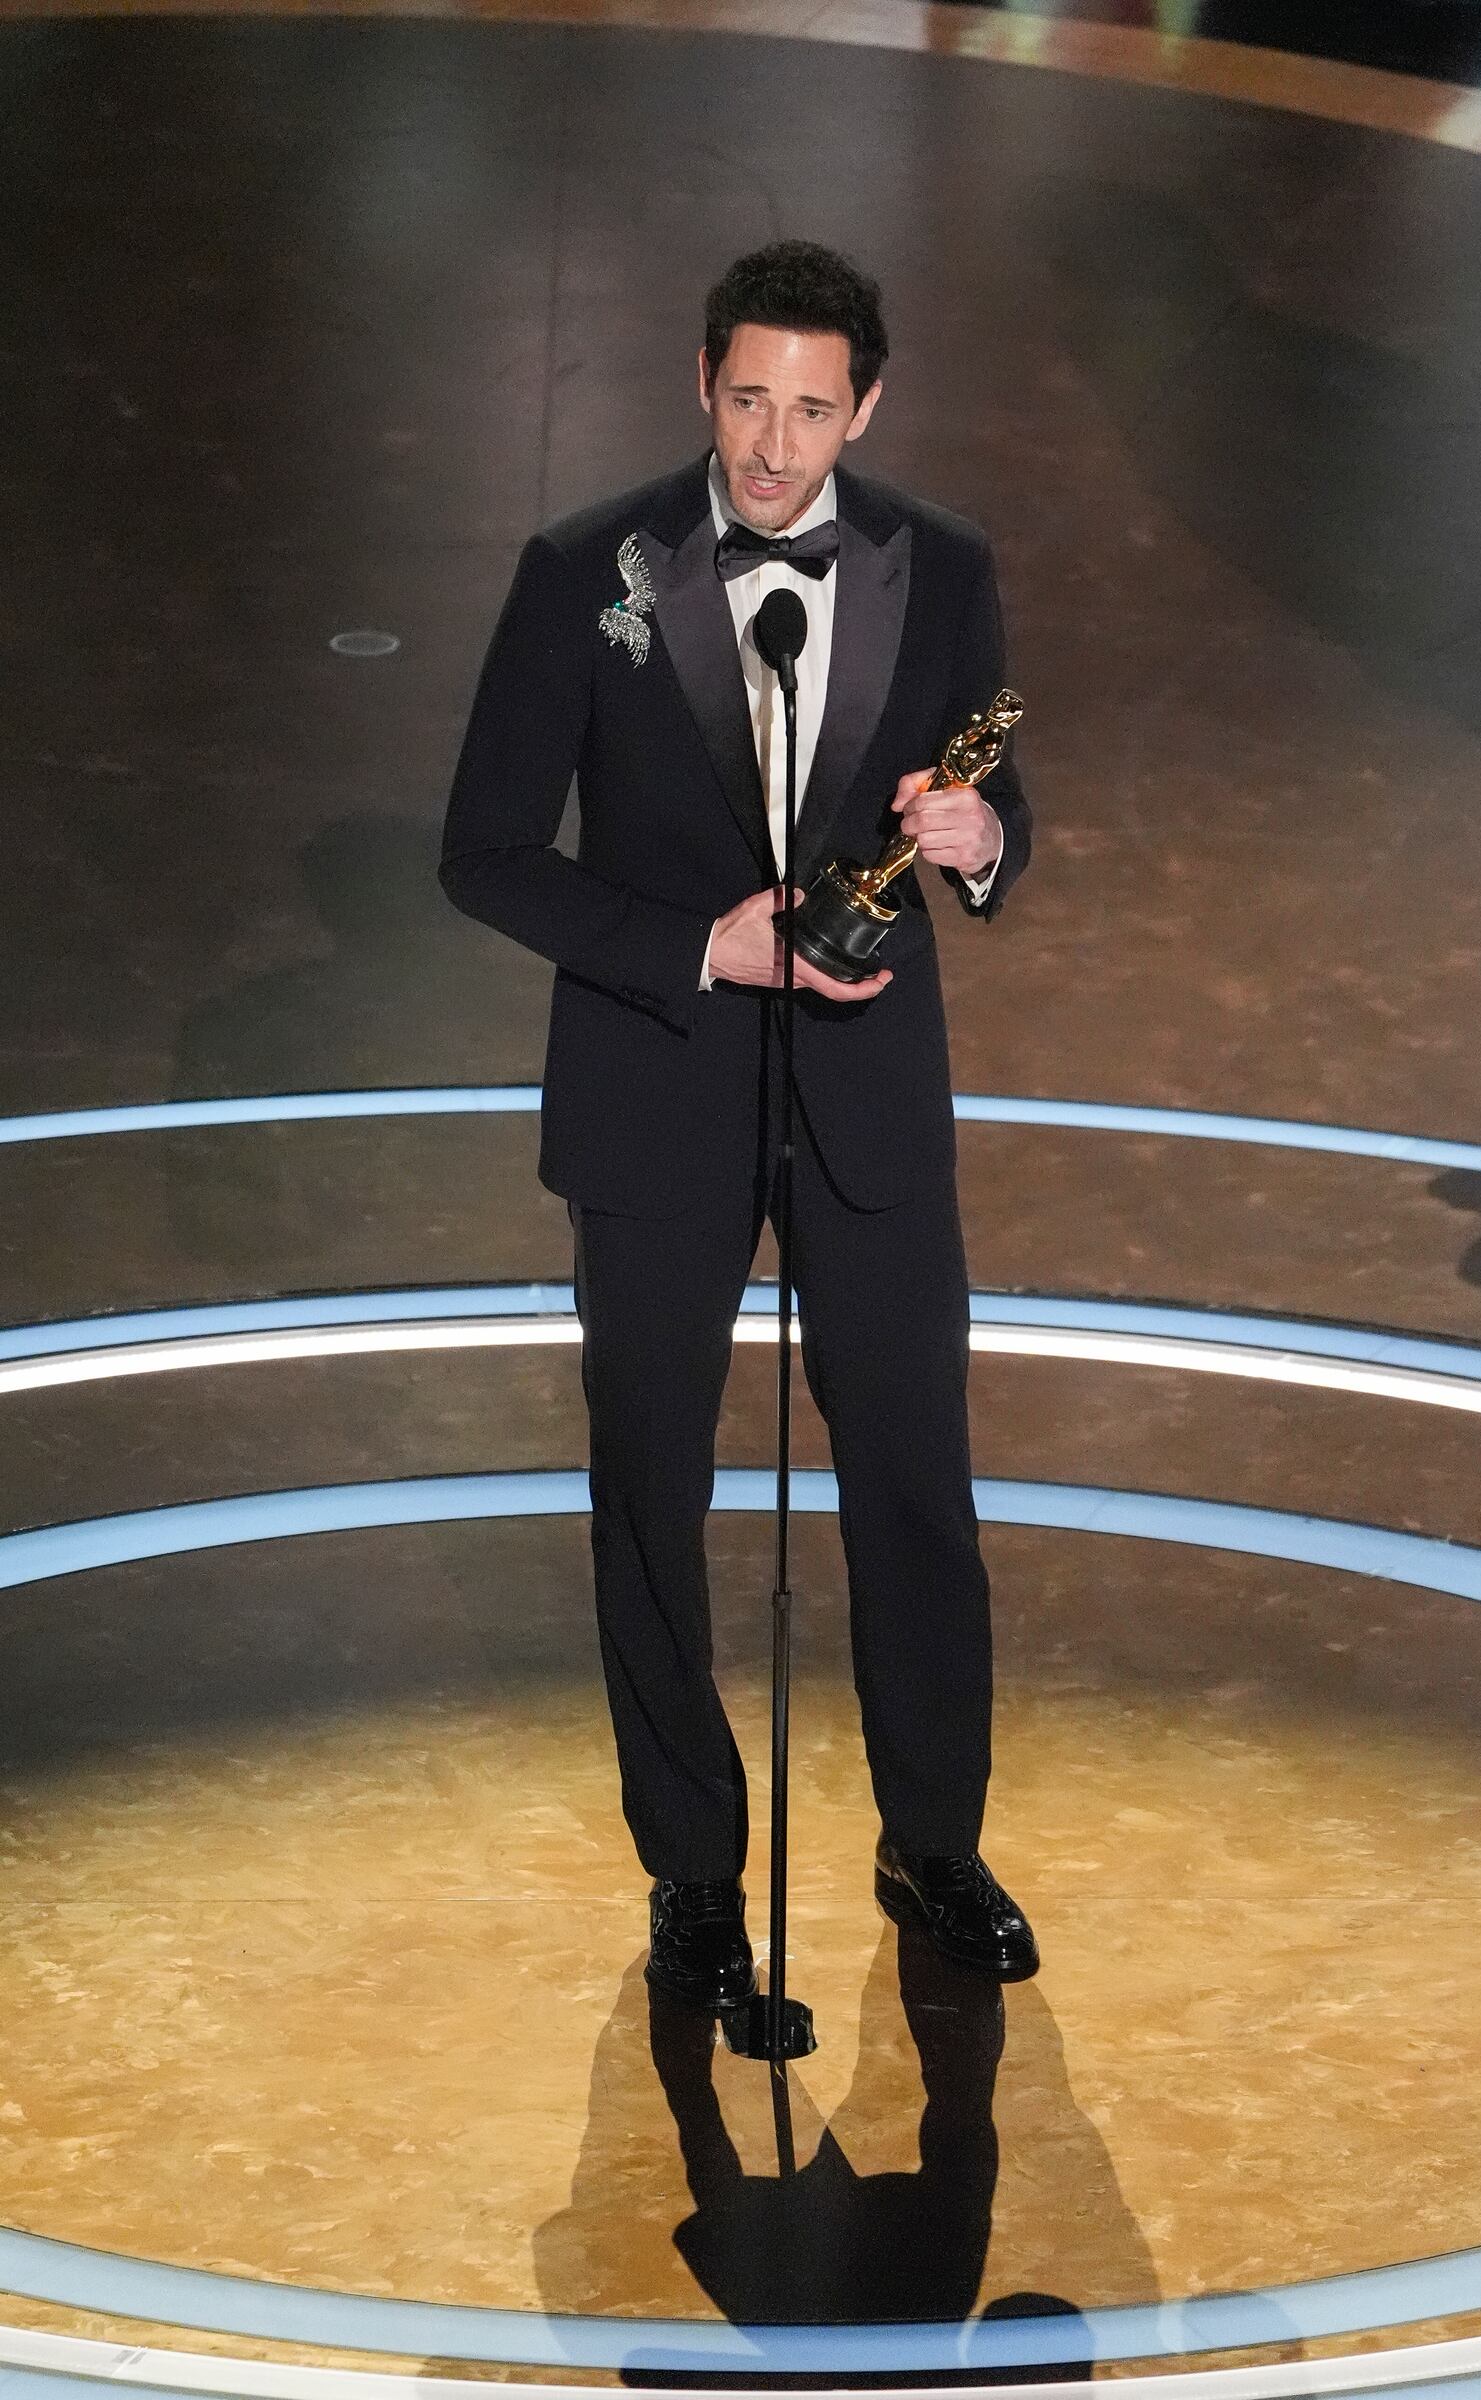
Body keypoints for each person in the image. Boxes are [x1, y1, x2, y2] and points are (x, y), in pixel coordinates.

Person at [438, 239, 1038, 2008]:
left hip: (866, 1108)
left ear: (869, 406)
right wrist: (695, 945)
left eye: (813, 408)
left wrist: (980, 848)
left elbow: (1005, 810)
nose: (775, 447)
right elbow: (483, 850)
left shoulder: (947, 571)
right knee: (648, 1493)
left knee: (919, 1485)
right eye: (748, 400)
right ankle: (694, 1870)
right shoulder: (584, 576)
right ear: (704, 381)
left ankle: (934, 1842)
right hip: (655, 1092)